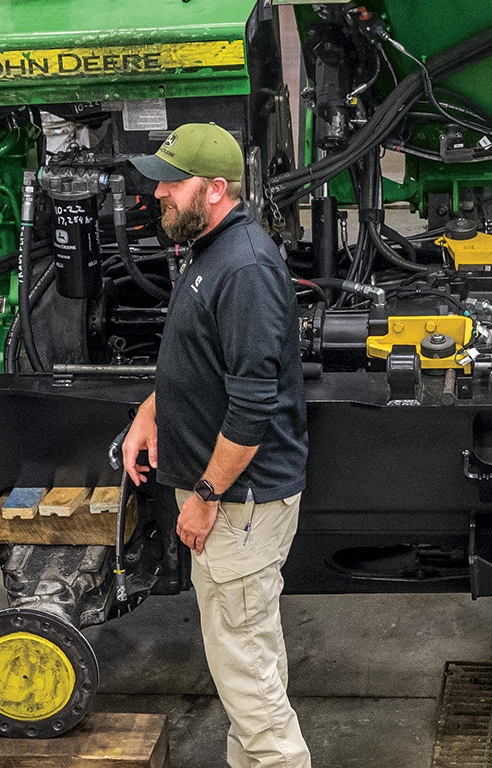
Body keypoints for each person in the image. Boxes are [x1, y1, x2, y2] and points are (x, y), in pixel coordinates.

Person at [122, 123, 311, 768]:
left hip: (239, 504)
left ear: (218, 188)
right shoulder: (209, 251)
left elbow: (253, 403)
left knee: (247, 670)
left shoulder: (247, 268)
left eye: (174, 183)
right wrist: (154, 408)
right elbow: (202, 362)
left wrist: (205, 495)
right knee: (245, 656)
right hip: (227, 503)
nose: (160, 195)